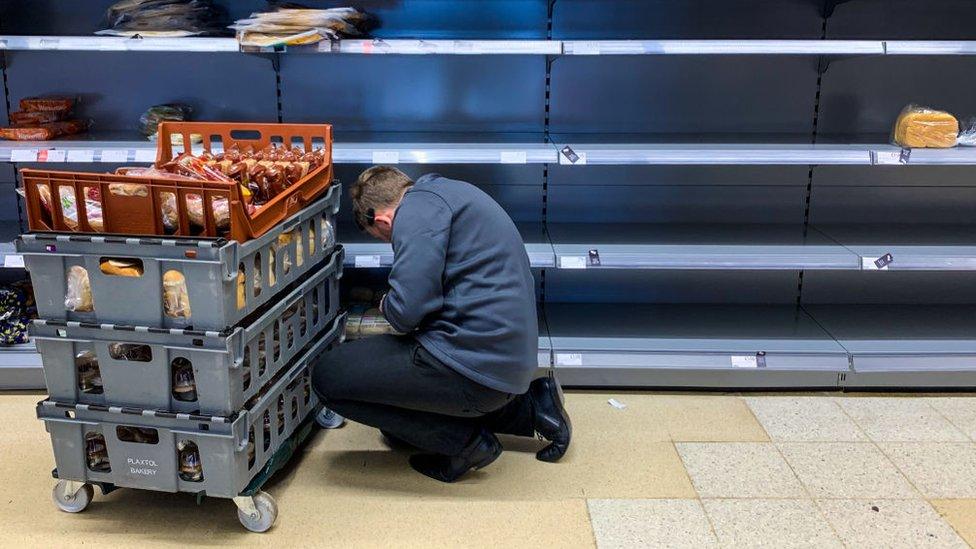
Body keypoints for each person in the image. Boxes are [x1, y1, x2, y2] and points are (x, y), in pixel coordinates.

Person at [311, 166, 572, 483]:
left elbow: (407, 313)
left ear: (382, 220)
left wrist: (385, 304)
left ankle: (466, 445)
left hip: (473, 367)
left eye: (385, 239)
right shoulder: (447, 194)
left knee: (329, 376)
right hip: (504, 365)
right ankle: (532, 408)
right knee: (394, 430)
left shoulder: (414, 216)